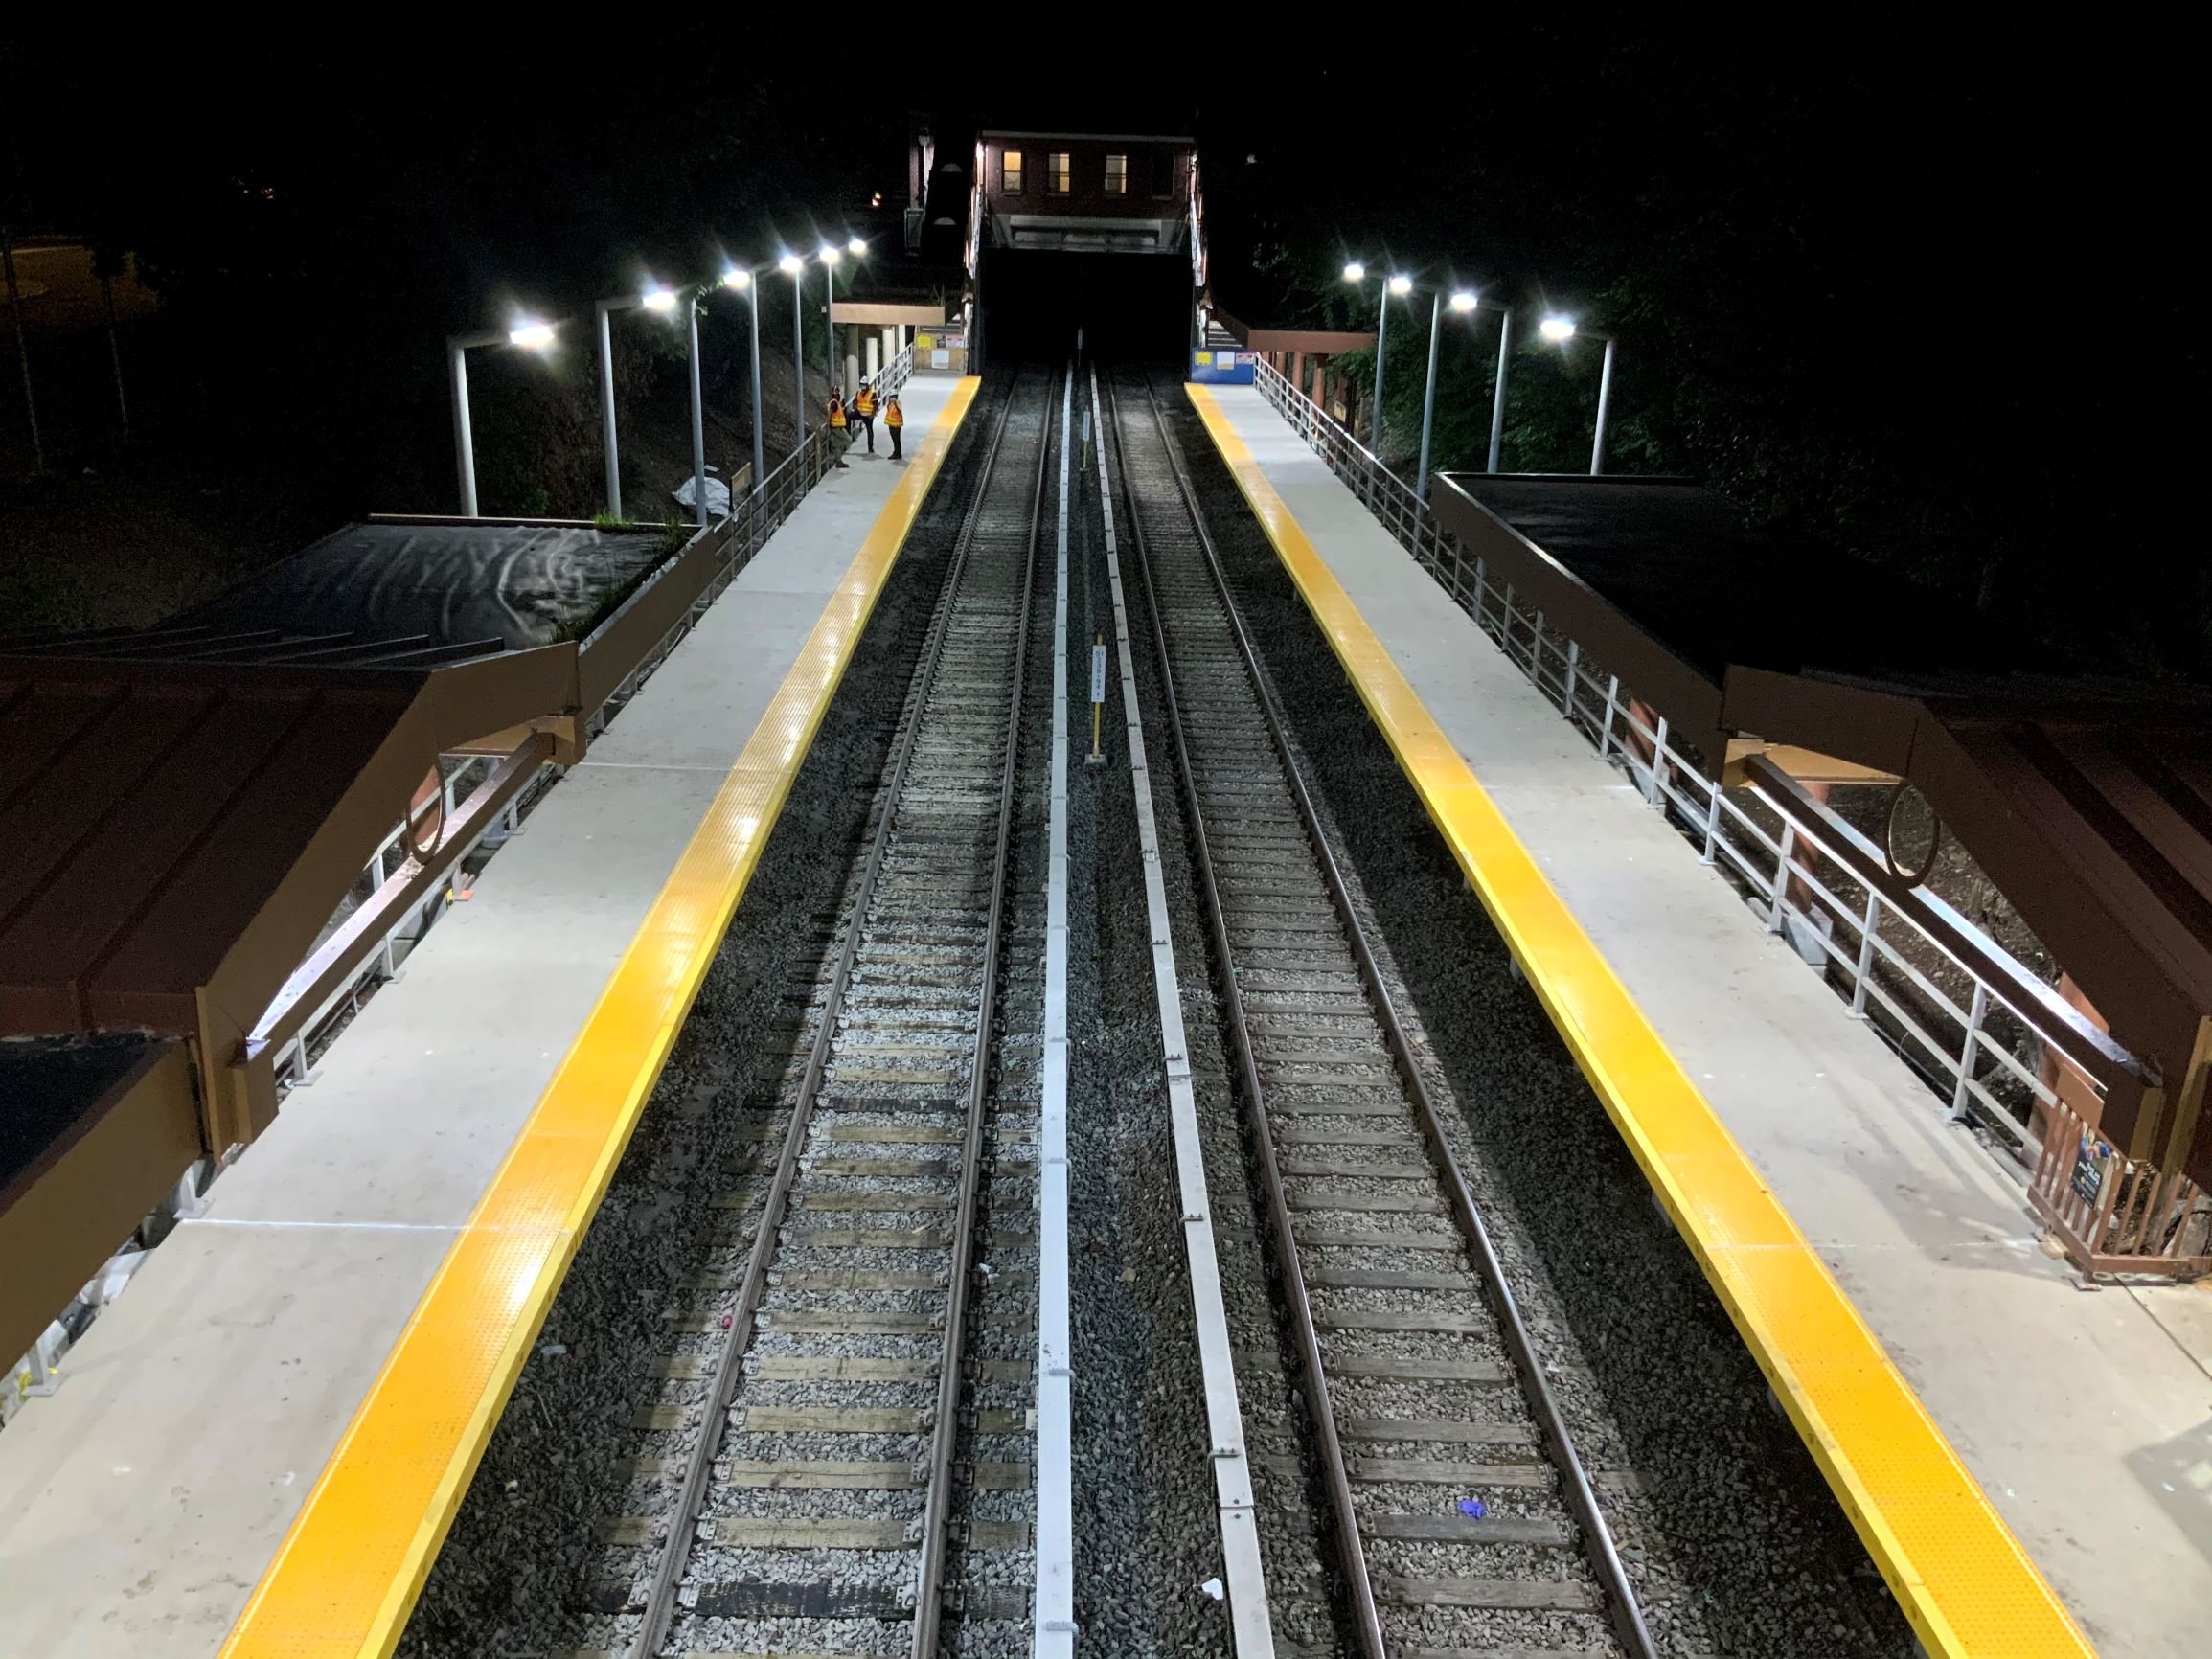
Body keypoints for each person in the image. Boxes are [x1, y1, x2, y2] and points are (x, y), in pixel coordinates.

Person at [852, 379, 878, 453]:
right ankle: (847, 433)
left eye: (864, 385)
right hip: (860, 412)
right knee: (848, 416)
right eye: (861, 384)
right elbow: (855, 401)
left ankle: (870, 447)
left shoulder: (872, 393)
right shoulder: (858, 392)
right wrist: (855, 407)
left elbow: (875, 405)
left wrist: (872, 415)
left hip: (868, 415)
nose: (863, 386)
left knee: (869, 430)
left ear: (867, 385)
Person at [826, 390, 849, 467]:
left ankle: (838, 460)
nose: (838, 395)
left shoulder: (836, 403)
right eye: (836, 394)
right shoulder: (834, 403)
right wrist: (828, 425)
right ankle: (837, 457)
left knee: (838, 445)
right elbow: (830, 414)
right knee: (847, 439)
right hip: (836, 428)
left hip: (838, 427)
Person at [884, 392, 904, 461]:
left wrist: (896, 404)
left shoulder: (897, 403)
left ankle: (897, 453)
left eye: (893, 396)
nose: (891, 398)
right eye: (890, 396)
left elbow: (900, 410)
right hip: (891, 424)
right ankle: (896, 452)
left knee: (896, 440)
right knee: (894, 440)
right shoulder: (890, 404)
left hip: (896, 425)